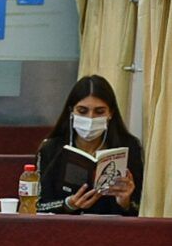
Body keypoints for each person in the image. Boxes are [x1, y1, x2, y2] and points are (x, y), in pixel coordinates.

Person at [36, 74, 144, 215]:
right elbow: (37, 205)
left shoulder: (129, 147)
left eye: (99, 112)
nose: (90, 118)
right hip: (63, 229)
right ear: (71, 111)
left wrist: (125, 202)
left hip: (113, 230)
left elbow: (142, 207)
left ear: (110, 113)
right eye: (82, 111)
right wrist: (69, 204)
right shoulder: (51, 149)